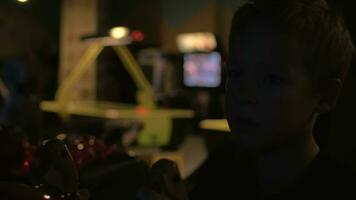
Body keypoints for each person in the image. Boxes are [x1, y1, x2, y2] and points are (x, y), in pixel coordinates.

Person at [137, 0, 356, 199]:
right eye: (236, 73)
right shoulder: (223, 165)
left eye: (272, 79)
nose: (245, 95)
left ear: (326, 95)